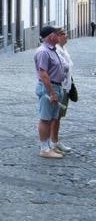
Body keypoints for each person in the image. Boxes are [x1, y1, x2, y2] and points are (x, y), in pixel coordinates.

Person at [34, 25, 68, 159]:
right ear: (50, 36)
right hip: (49, 88)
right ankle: (44, 149)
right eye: (56, 33)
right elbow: (43, 74)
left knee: (52, 118)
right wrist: (52, 93)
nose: (59, 36)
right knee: (45, 118)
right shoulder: (43, 52)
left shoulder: (52, 50)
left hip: (56, 87)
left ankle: (48, 146)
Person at [51, 28, 73, 154]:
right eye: (63, 34)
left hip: (66, 87)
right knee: (54, 116)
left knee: (58, 117)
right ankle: (52, 143)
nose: (66, 36)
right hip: (59, 86)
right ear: (57, 37)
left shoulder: (63, 49)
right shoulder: (56, 50)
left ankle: (56, 141)